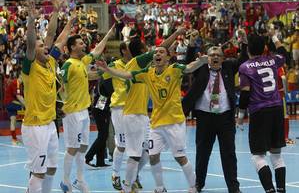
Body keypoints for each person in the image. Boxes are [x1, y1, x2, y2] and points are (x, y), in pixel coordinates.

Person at [96, 45, 208, 193]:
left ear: (168, 57)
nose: (157, 54)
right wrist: (108, 70)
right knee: (153, 156)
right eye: (155, 52)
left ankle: (194, 186)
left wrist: (201, 62)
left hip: (174, 122)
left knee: (180, 157)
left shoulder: (174, 69)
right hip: (156, 122)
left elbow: (188, 68)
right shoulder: (147, 73)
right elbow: (127, 75)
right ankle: (160, 188)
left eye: (161, 52)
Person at [182, 33, 248, 193]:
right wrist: (191, 45)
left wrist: (244, 44)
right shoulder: (201, 69)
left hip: (225, 118)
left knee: (229, 154)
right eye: (211, 55)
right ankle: (198, 184)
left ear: (223, 58)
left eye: (218, 55)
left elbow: (242, 61)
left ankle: (233, 187)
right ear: (207, 58)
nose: (215, 57)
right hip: (204, 117)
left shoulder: (228, 67)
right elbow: (187, 63)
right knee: (202, 153)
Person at [59, 24, 114, 193]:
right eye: (81, 43)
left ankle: (80, 179)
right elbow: (58, 86)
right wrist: (60, 105)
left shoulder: (82, 62)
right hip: (72, 112)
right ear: (72, 47)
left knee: (82, 146)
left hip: (84, 111)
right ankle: (65, 181)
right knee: (72, 147)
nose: (84, 45)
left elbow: (96, 51)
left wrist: (107, 35)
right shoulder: (68, 65)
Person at [21, 0, 67, 193]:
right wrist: (31, 20)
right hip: (35, 126)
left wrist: (55, 11)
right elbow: (32, 43)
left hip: (49, 124)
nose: (45, 47)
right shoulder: (29, 67)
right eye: (41, 47)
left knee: (52, 167)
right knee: (38, 172)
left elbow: (52, 34)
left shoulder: (50, 63)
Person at [237, 32, 287, 193]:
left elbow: (245, 93)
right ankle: (281, 190)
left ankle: (270, 190)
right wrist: (274, 37)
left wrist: (240, 116)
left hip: (260, 111)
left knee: (258, 156)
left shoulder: (245, 67)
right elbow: (284, 53)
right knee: (276, 155)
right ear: (264, 48)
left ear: (248, 51)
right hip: (277, 109)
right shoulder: (273, 60)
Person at [4, 71, 24, 145]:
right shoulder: (16, 83)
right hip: (11, 103)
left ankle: (14, 139)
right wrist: (27, 105)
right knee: (26, 115)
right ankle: (27, 137)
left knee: (13, 120)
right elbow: (19, 97)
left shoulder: (19, 84)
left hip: (8, 104)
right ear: (21, 76)